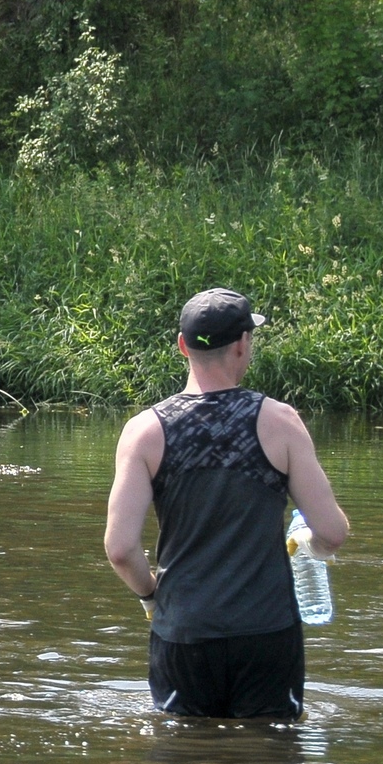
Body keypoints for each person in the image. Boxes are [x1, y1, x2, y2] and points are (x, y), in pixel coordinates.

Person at [103, 288, 349, 719]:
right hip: (267, 632)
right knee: (273, 762)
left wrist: (150, 597)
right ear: (242, 343)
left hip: (183, 630)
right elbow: (332, 533)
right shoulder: (280, 422)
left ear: (182, 346)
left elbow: (120, 549)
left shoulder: (143, 431)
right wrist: (306, 543)